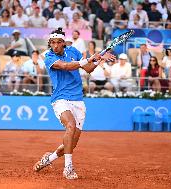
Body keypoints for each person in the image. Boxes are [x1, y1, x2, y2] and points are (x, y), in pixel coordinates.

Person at [33, 27, 115, 179]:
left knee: (71, 143)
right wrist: (88, 58)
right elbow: (65, 66)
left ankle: (48, 159)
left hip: (78, 100)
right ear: (50, 43)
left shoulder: (73, 51)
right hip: (60, 99)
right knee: (70, 125)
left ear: (64, 43)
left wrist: (99, 60)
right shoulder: (49, 57)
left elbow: (88, 68)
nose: (55, 45)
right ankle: (68, 168)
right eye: (52, 42)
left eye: (58, 42)